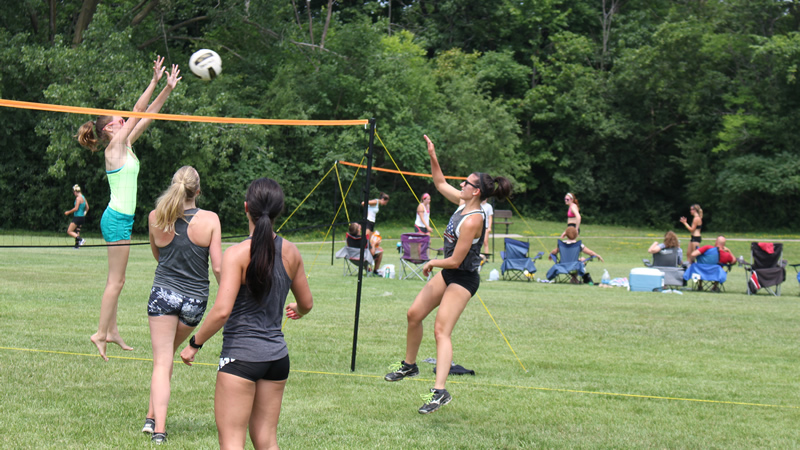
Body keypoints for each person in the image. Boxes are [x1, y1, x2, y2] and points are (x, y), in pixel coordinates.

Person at [180, 177, 313, 449]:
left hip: (240, 358)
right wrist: (297, 309)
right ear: (278, 211)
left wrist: (194, 344)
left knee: (232, 442)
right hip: (277, 359)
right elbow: (307, 303)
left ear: (245, 208)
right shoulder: (292, 252)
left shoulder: (237, 254)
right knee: (266, 439)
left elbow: (221, 311)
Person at [384, 135, 512, 414]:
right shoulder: (462, 202)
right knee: (413, 314)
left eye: (466, 182)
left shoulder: (474, 218)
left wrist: (433, 262)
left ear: (476, 191)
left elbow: (455, 260)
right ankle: (410, 365)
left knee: (441, 330)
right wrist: (433, 155)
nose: (461, 184)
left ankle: (440, 391)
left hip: (463, 278)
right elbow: (440, 183)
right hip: (450, 273)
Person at [76, 55, 181, 361]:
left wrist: (167, 88)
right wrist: (152, 81)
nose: (123, 121)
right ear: (109, 129)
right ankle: (99, 333)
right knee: (116, 280)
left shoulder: (126, 145)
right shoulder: (113, 148)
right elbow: (136, 111)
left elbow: (147, 115)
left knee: (119, 280)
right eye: (117, 121)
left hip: (121, 219)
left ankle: (112, 331)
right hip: (116, 220)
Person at [142, 166, 222, 443]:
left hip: (164, 294)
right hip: (195, 302)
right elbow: (218, 268)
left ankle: (158, 430)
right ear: (197, 191)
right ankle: (152, 417)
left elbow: (158, 255)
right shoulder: (211, 220)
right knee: (166, 357)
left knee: (162, 360)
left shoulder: (156, 216)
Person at [64, 184, 89, 248]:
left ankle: (81, 240)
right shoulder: (83, 197)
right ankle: (77, 245)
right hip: (82, 217)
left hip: (77, 217)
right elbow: (87, 207)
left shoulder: (78, 198)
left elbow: (76, 208)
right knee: (77, 230)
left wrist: (68, 212)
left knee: (69, 231)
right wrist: (84, 213)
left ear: (75, 191)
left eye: (73, 192)